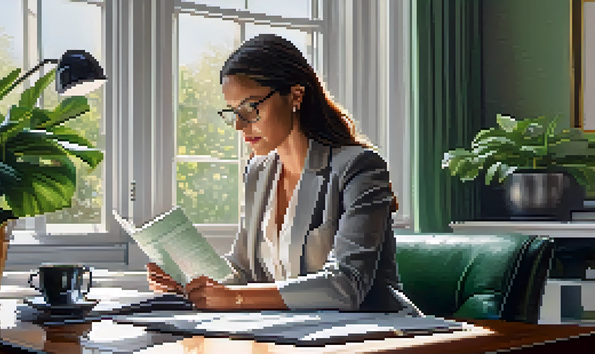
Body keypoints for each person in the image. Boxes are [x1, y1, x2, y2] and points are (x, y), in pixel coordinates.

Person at [147, 34, 421, 315]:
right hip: (299, 334)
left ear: (295, 95)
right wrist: (190, 281)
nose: (239, 126)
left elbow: (346, 285)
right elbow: (244, 271)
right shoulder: (257, 171)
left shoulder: (360, 167)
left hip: (381, 334)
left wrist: (236, 299)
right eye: (232, 112)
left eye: (251, 108)